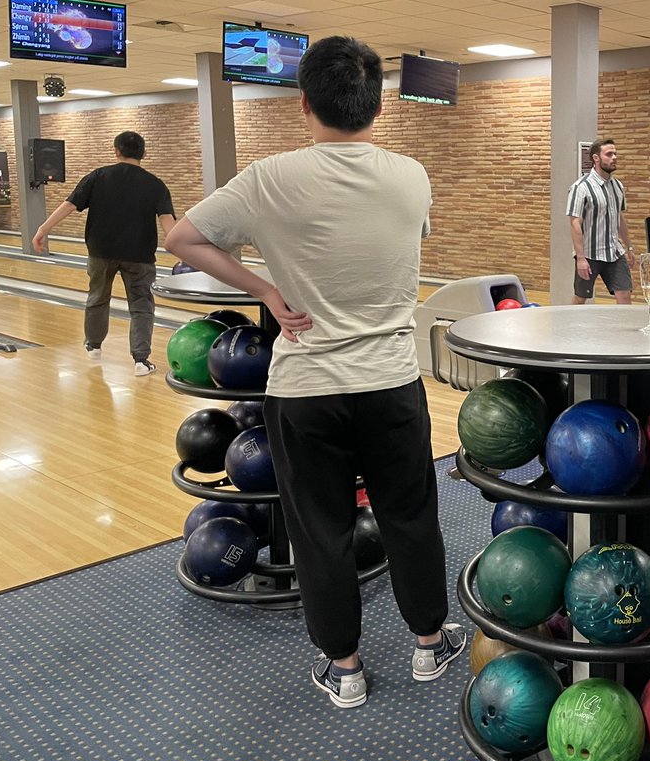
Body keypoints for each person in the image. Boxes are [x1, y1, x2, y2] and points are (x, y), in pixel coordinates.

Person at [165, 35, 464, 709]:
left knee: (320, 531)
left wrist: (266, 290)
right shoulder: (412, 174)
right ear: (378, 107)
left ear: (303, 104)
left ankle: (346, 668)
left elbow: (181, 239)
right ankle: (428, 645)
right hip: (391, 382)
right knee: (410, 518)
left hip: (305, 391)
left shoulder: (271, 177)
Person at [32, 131, 175, 375]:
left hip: (101, 251)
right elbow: (167, 221)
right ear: (144, 153)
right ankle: (141, 360)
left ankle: (94, 345)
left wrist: (43, 229)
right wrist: (182, 250)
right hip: (139, 254)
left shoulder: (98, 176)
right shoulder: (155, 184)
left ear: (116, 151)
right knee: (141, 305)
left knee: (98, 296)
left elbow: (69, 204)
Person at [567, 138, 636, 304]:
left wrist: (629, 247)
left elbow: (619, 217)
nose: (614, 158)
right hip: (590, 254)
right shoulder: (581, 187)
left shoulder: (618, 186)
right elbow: (575, 223)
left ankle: (622, 330)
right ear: (596, 158)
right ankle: (569, 328)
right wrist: (581, 258)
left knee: (624, 295)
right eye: (609, 154)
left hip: (614, 252)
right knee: (580, 297)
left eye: (615, 154)